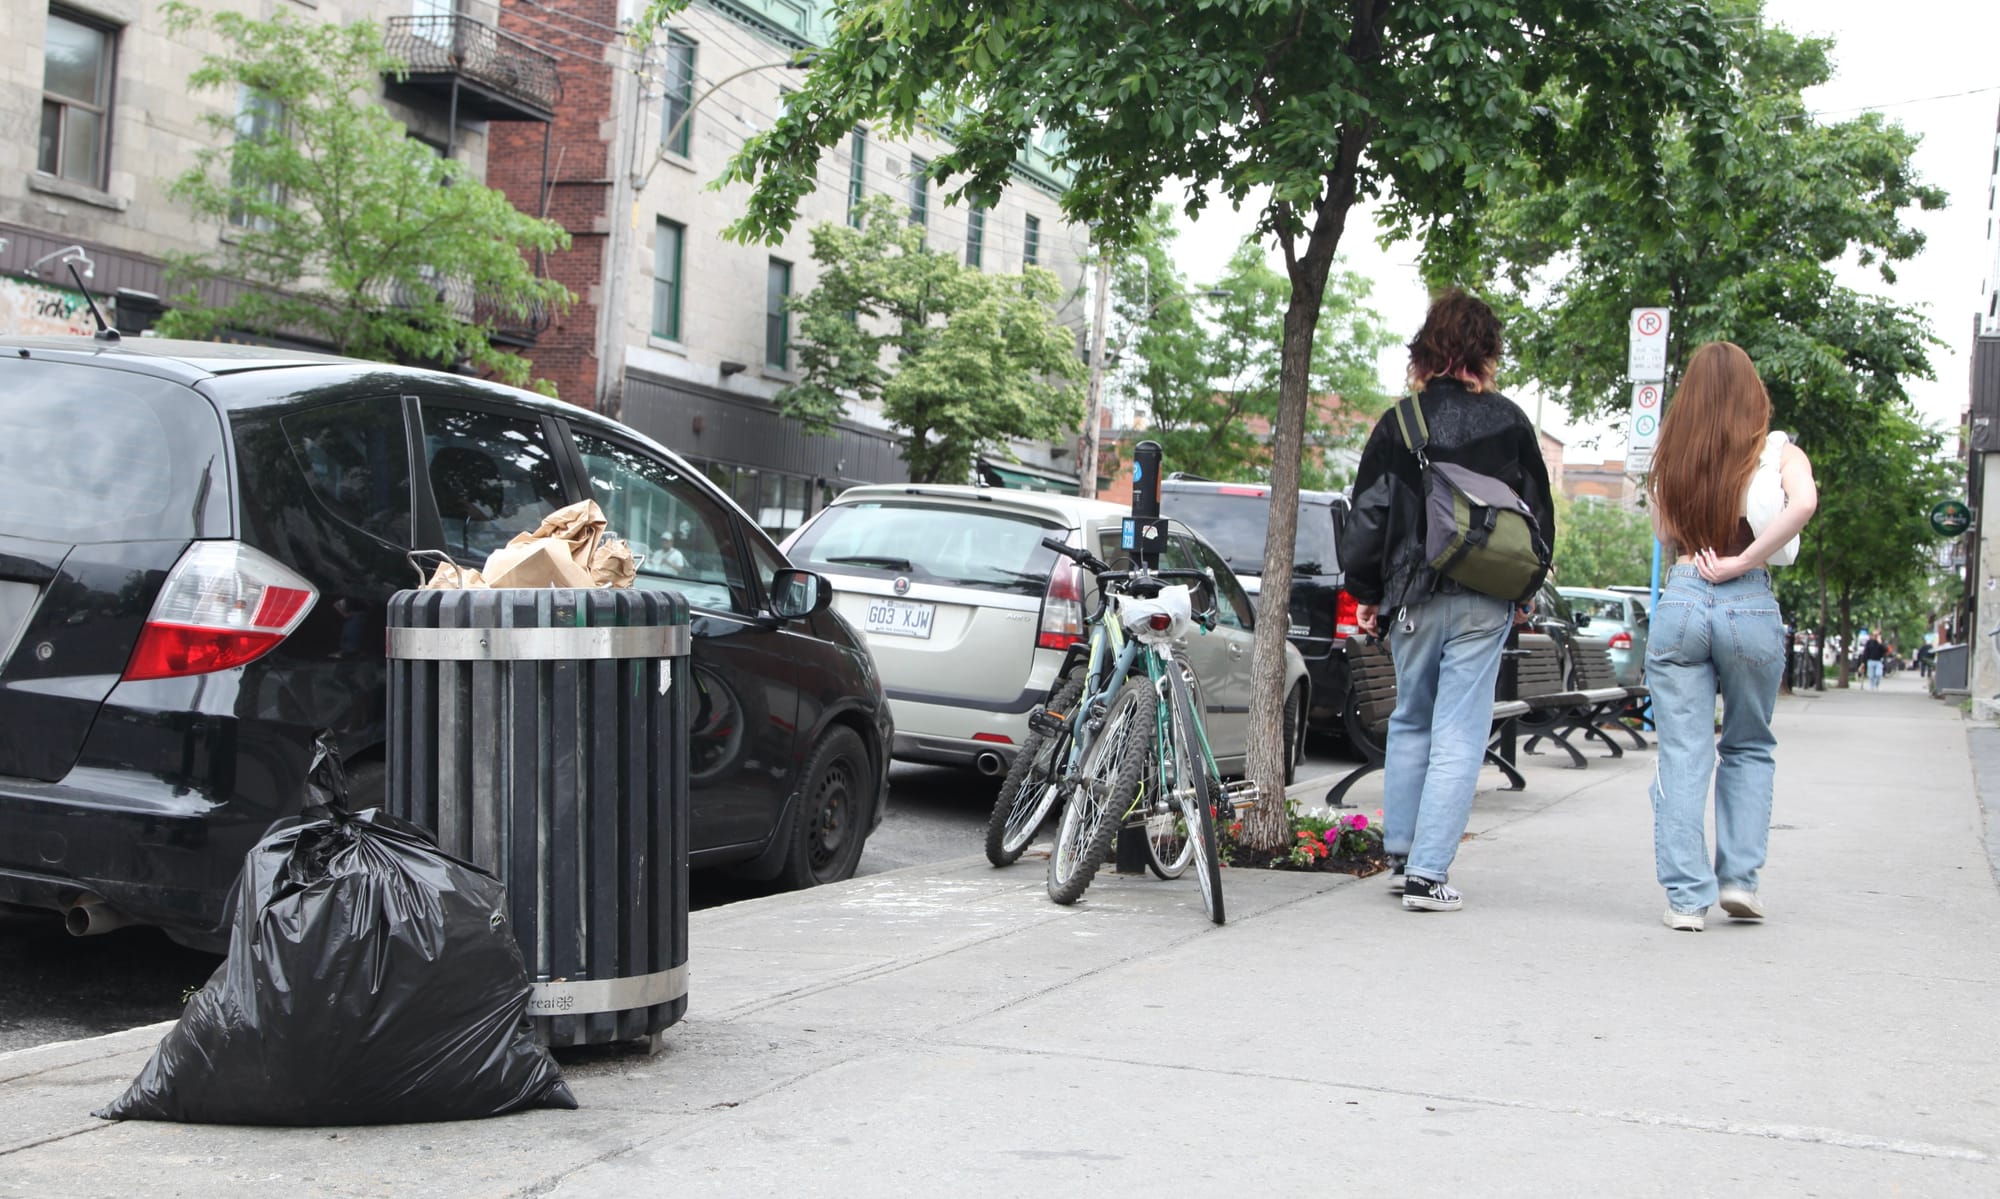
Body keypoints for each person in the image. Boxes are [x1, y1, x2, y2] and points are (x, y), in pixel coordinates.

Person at [1341, 290, 1556, 913]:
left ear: (1426, 350)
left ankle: (1403, 851)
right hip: (1485, 597)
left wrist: (1365, 591)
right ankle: (1427, 875)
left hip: (1412, 596)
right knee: (1461, 729)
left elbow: (1369, 517)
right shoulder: (1512, 423)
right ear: (1486, 353)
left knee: (1411, 718)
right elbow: (1538, 520)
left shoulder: (1398, 423)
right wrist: (1524, 588)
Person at [1645, 341, 1817, 933]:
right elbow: (1806, 505)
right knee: (1747, 743)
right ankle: (1739, 881)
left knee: (1684, 750)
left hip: (1686, 591)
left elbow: (1667, 530)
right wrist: (1746, 559)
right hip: (1749, 603)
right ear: (1754, 396)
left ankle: (1686, 899)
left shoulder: (1671, 454)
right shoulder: (1779, 451)